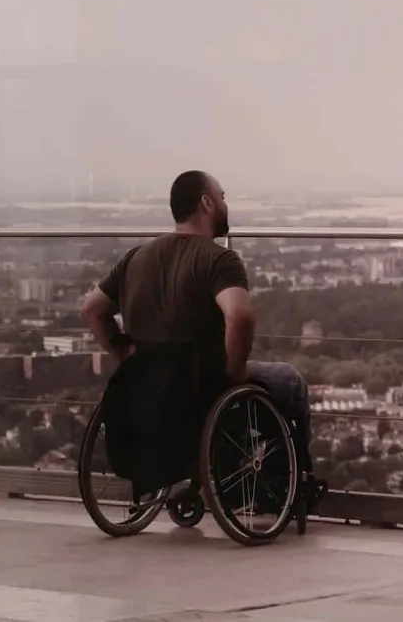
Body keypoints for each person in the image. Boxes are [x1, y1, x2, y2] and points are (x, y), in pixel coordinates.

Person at [79, 169, 326, 509]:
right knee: (291, 382)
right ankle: (283, 483)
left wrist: (123, 350)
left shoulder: (136, 257)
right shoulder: (218, 259)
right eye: (222, 197)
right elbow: (239, 315)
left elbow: (92, 310)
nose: (226, 204)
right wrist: (235, 369)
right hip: (201, 380)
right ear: (206, 203)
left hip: (148, 380)